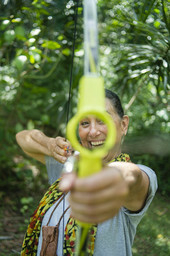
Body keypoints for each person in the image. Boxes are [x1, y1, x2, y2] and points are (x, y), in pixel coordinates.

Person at [16, 89, 157, 256]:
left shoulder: (142, 174)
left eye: (102, 120)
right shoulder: (70, 166)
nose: (93, 132)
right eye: (84, 123)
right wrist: (49, 144)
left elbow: (130, 176)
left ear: (123, 125)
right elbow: (23, 138)